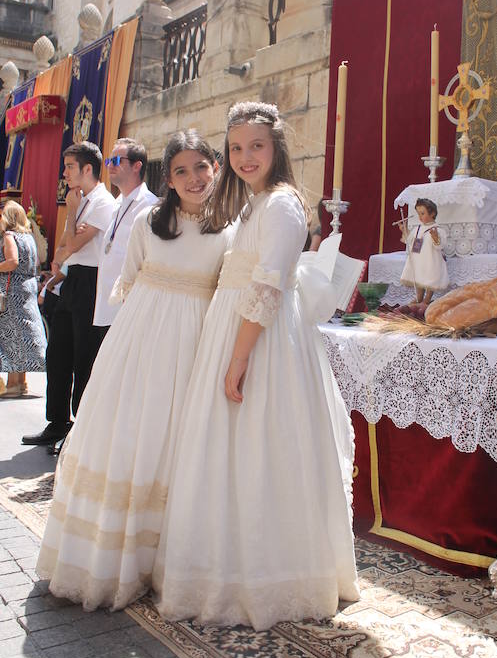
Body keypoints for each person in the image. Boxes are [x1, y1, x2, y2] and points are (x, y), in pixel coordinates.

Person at [153, 102, 359, 631]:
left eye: (256, 147)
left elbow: (268, 286)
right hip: (238, 327)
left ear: (276, 148)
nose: (245, 157)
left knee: (260, 446)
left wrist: (239, 357)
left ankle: (271, 574)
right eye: (237, 148)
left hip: (261, 342)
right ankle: (228, 563)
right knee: (230, 449)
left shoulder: (284, 206)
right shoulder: (255, 203)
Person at [36, 130, 232, 611]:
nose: (193, 179)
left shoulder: (230, 228)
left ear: (215, 168)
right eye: (181, 170)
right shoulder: (149, 221)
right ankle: (113, 555)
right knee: (129, 432)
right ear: (168, 178)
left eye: (200, 168)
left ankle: (168, 557)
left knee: (175, 440)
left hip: (195, 343)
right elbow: (133, 279)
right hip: (142, 338)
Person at [22, 142, 116, 448]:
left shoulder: (102, 202)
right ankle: (57, 421)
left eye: (70, 167)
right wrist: (62, 260)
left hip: (91, 282)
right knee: (58, 353)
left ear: (87, 169)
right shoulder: (80, 199)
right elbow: (63, 246)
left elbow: (72, 247)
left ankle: (81, 431)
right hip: (70, 279)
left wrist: (73, 212)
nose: (64, 173)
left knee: (83, 356)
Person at [92, 137, 157, 338]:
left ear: (137, 166)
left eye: (117, 161)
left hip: (128, 306)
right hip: (107, 304)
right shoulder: (118, 204)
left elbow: (150, 257)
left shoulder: (148, 205)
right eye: (109, 161)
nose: (111, 166)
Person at [0, 201, 47, 395]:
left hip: (12, 292)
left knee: (11, 335)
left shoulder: (10, 236)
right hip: (27, 288)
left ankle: (12, 384)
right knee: (24, 334)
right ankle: (22, 381)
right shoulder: (29, 237)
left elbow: (11, 262)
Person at [399, 197, 449, 305]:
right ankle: (419, 297)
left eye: (422, 213)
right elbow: (410, 241)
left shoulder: (438, 229)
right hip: (418, 258)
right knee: (418, 276)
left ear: (432, 213)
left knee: (429, 277)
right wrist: (405, 230)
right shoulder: (418, 228)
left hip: (430, 259)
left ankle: (427, 299)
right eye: (418, 214)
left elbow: (440, 245)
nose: (420, 217)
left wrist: (435, 237)